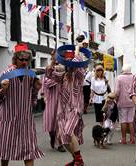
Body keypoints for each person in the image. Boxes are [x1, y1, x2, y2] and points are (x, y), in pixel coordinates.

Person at [0, 43, 44, 166]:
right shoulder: (7, 73)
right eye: (22, 59)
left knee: (29, 150)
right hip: (8, 117)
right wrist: (3, 88)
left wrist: (36, 89)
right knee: (5, 149)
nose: (24, 62)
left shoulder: (31, 75)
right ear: (15, 59)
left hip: (25, 119)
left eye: (27, 59)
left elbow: (33, 99)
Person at [57, 35, 87, 166]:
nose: (69, 65)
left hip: (75, 108)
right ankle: (75, 159)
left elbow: (78, 63)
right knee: (63, 139)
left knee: (69, 132)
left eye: (70, 63)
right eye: (67, 63)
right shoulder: (64, 75)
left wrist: (77, 50)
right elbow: (50, 74)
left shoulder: (79, 74)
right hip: (63, 110)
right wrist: (54, 62)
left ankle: (79, 160)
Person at [43, 50, 66, 152]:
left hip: (62, 99)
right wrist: (57, 79)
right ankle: (52, 137)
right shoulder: (49, 70)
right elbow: (47, 83)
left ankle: (60, 143)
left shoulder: (65, 68)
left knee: (61, 122)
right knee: (51, 123)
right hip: (52, 99)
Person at [115, 64, 135, 145]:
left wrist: (116, 99)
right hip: (132, 101)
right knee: (131, 120)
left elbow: (117, 91)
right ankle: (132, 138)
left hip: (122, 102)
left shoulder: (119, 78)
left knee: (123, 120)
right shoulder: (134, 77)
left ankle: (123, 139)